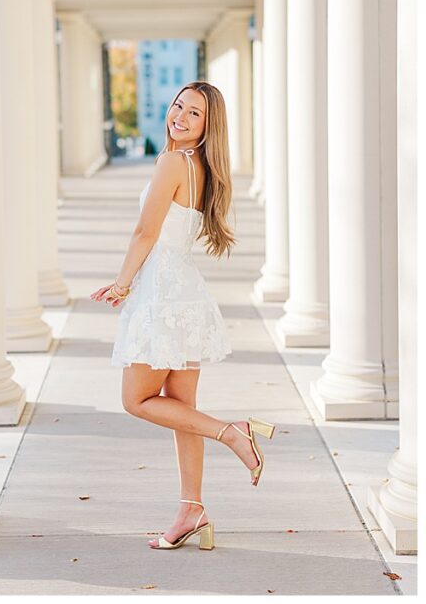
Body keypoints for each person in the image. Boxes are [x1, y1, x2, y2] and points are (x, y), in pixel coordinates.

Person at [90, 81, 273, 552]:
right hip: (184, 292)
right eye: (178, 106)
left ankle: (234, 433)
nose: (180, 116)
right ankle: (192, 510)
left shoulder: (173, 162)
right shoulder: (202, 168)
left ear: (208, 126)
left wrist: (122, 283)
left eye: (194, 113)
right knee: (181, 412)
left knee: (137, 399)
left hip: (162, 295)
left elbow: (144, 231)